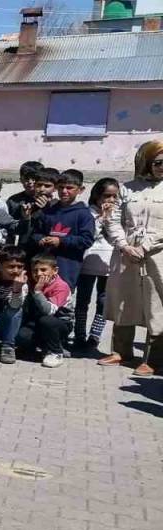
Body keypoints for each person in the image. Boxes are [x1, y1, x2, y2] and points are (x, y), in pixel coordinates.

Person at [100, 140, 163, 376]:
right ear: (147, 162)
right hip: (127, 254)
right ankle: (121, 351)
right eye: (158, 162)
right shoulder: (128, 188)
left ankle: (154, 358)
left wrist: (146, 245)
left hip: (157, 254)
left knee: (157, 304)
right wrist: (124, 245)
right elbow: (114, 219)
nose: (161, 167)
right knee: (123, 300)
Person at [29, 169, 94, 290]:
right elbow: (36, 232)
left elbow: (87, 240)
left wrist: (61, 241)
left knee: (62, 301)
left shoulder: (83, 214)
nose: (64, 191)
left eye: (69, 188)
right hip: (44, 266)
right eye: (61, 187)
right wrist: (41, 239)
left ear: (80, 190)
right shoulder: (49, 211)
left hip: (68, 266)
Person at [77, 178, 118, 350]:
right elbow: (90, 235)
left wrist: (111, 219)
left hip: (108, 264)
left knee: (103, 301)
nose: (110, 200)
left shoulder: (119, 213)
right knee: (82, 300)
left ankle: (95, 336)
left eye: (114, 196)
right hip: (88, 262)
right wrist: (102, 218)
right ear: (97, 195)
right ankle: (79, 335)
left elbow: (116, 237)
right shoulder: (88, 212)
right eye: (106, 196)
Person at [19, 253, 75, 368]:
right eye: (35, 270)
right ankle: (44, 346)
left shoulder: (61, 286)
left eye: (43, 269)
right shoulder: (31, 283)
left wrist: (38, 292)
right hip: (37, 322)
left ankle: (56, 352)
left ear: (55, 270)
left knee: (47, 320)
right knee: (22, 336)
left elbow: (49, 311)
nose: (39, 274)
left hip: (60, 324)